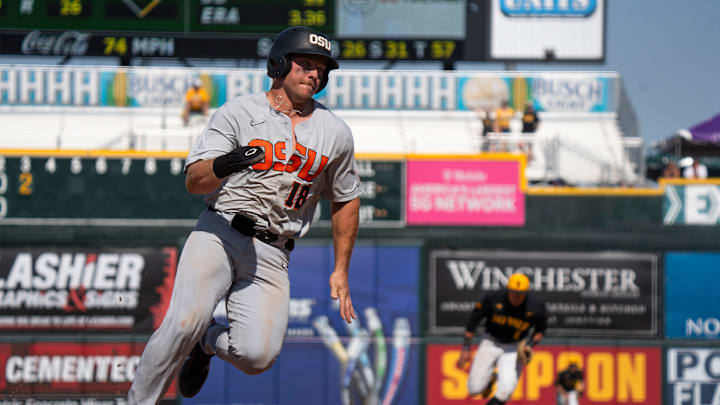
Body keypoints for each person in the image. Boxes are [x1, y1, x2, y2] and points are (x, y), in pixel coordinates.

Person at [128, 26, 361, 404]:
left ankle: (206, 342)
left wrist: (341, 268)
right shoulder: (239, 112)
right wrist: (227, 162)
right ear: (280, 64)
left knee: (257, 356)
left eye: (321, 68)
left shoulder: (335, 132)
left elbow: (347, 198)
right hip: (219, 231)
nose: (315, 73)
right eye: (305, 64)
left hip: (274, 250)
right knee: (181, 322)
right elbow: (195, 181)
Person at [456, 273, 548, 405]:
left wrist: (530, 345)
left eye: (520, 293)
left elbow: (541, 330)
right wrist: (466, 349)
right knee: (474, 389)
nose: (516, 297)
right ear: (508, 290)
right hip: (491, 342)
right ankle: (490, 379)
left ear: (526, 293)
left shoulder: (536, 306)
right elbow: (473, 322)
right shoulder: (494, 298)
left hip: (514, 347)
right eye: (513, 292)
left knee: (506, 390)